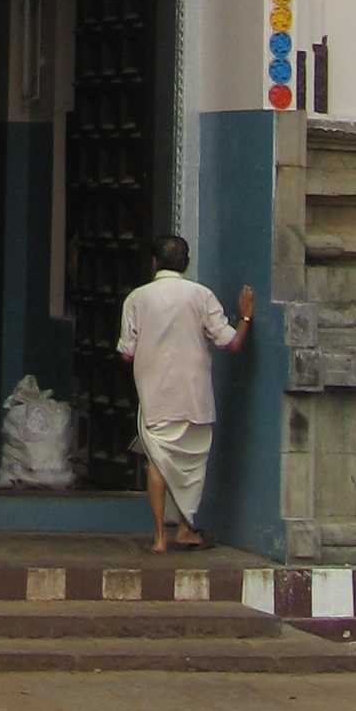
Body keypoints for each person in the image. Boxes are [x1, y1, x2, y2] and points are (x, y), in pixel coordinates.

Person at [116, 234, 253, 552]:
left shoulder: (137, 298)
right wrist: (245, 316)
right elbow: (231, 343)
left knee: (157, 463)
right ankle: (185, 529)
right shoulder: (201, 295)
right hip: (194, 399)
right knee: (190, 467)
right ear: (186, 263)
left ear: (154, 262)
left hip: (155, 397)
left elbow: (126, 353)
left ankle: (159, 538)